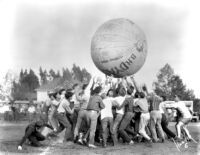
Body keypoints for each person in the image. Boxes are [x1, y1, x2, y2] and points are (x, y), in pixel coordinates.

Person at [73, 77, 94, 144]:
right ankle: (84, 137)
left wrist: (76, 93)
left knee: (78, 125)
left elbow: (78, 99)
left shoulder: (83, 95)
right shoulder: (90, 97)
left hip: (81, 111)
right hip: (87, 112)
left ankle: (76, 138)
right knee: (88, 126)